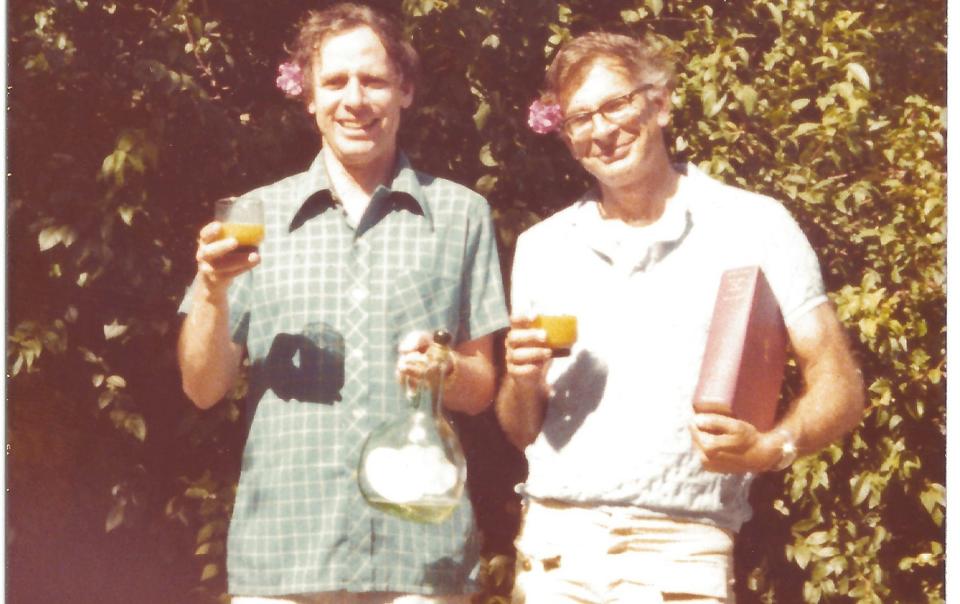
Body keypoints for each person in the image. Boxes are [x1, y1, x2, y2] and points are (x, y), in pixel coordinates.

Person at [496, 31, 865, 604]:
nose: (602, 129)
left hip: (684, 552)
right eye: (580, 118)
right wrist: (520, 381)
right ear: (568, 139)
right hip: (556, 550)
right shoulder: (543, 247)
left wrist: (773, 446)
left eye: (616, 104)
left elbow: (840, 385)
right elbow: (522, 428)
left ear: (660, 103)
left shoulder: (755, 225)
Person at [177, 4, 508, 603]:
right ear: (308, 96)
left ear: (405, 91)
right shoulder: (256, 216)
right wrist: (210, 289)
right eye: (334, 81)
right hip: (283, 560)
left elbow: (482, 389)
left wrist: (446, 369)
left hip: (419, 561)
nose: (354, 99)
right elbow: (203, 388)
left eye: (374, 80)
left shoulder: (463, 215)